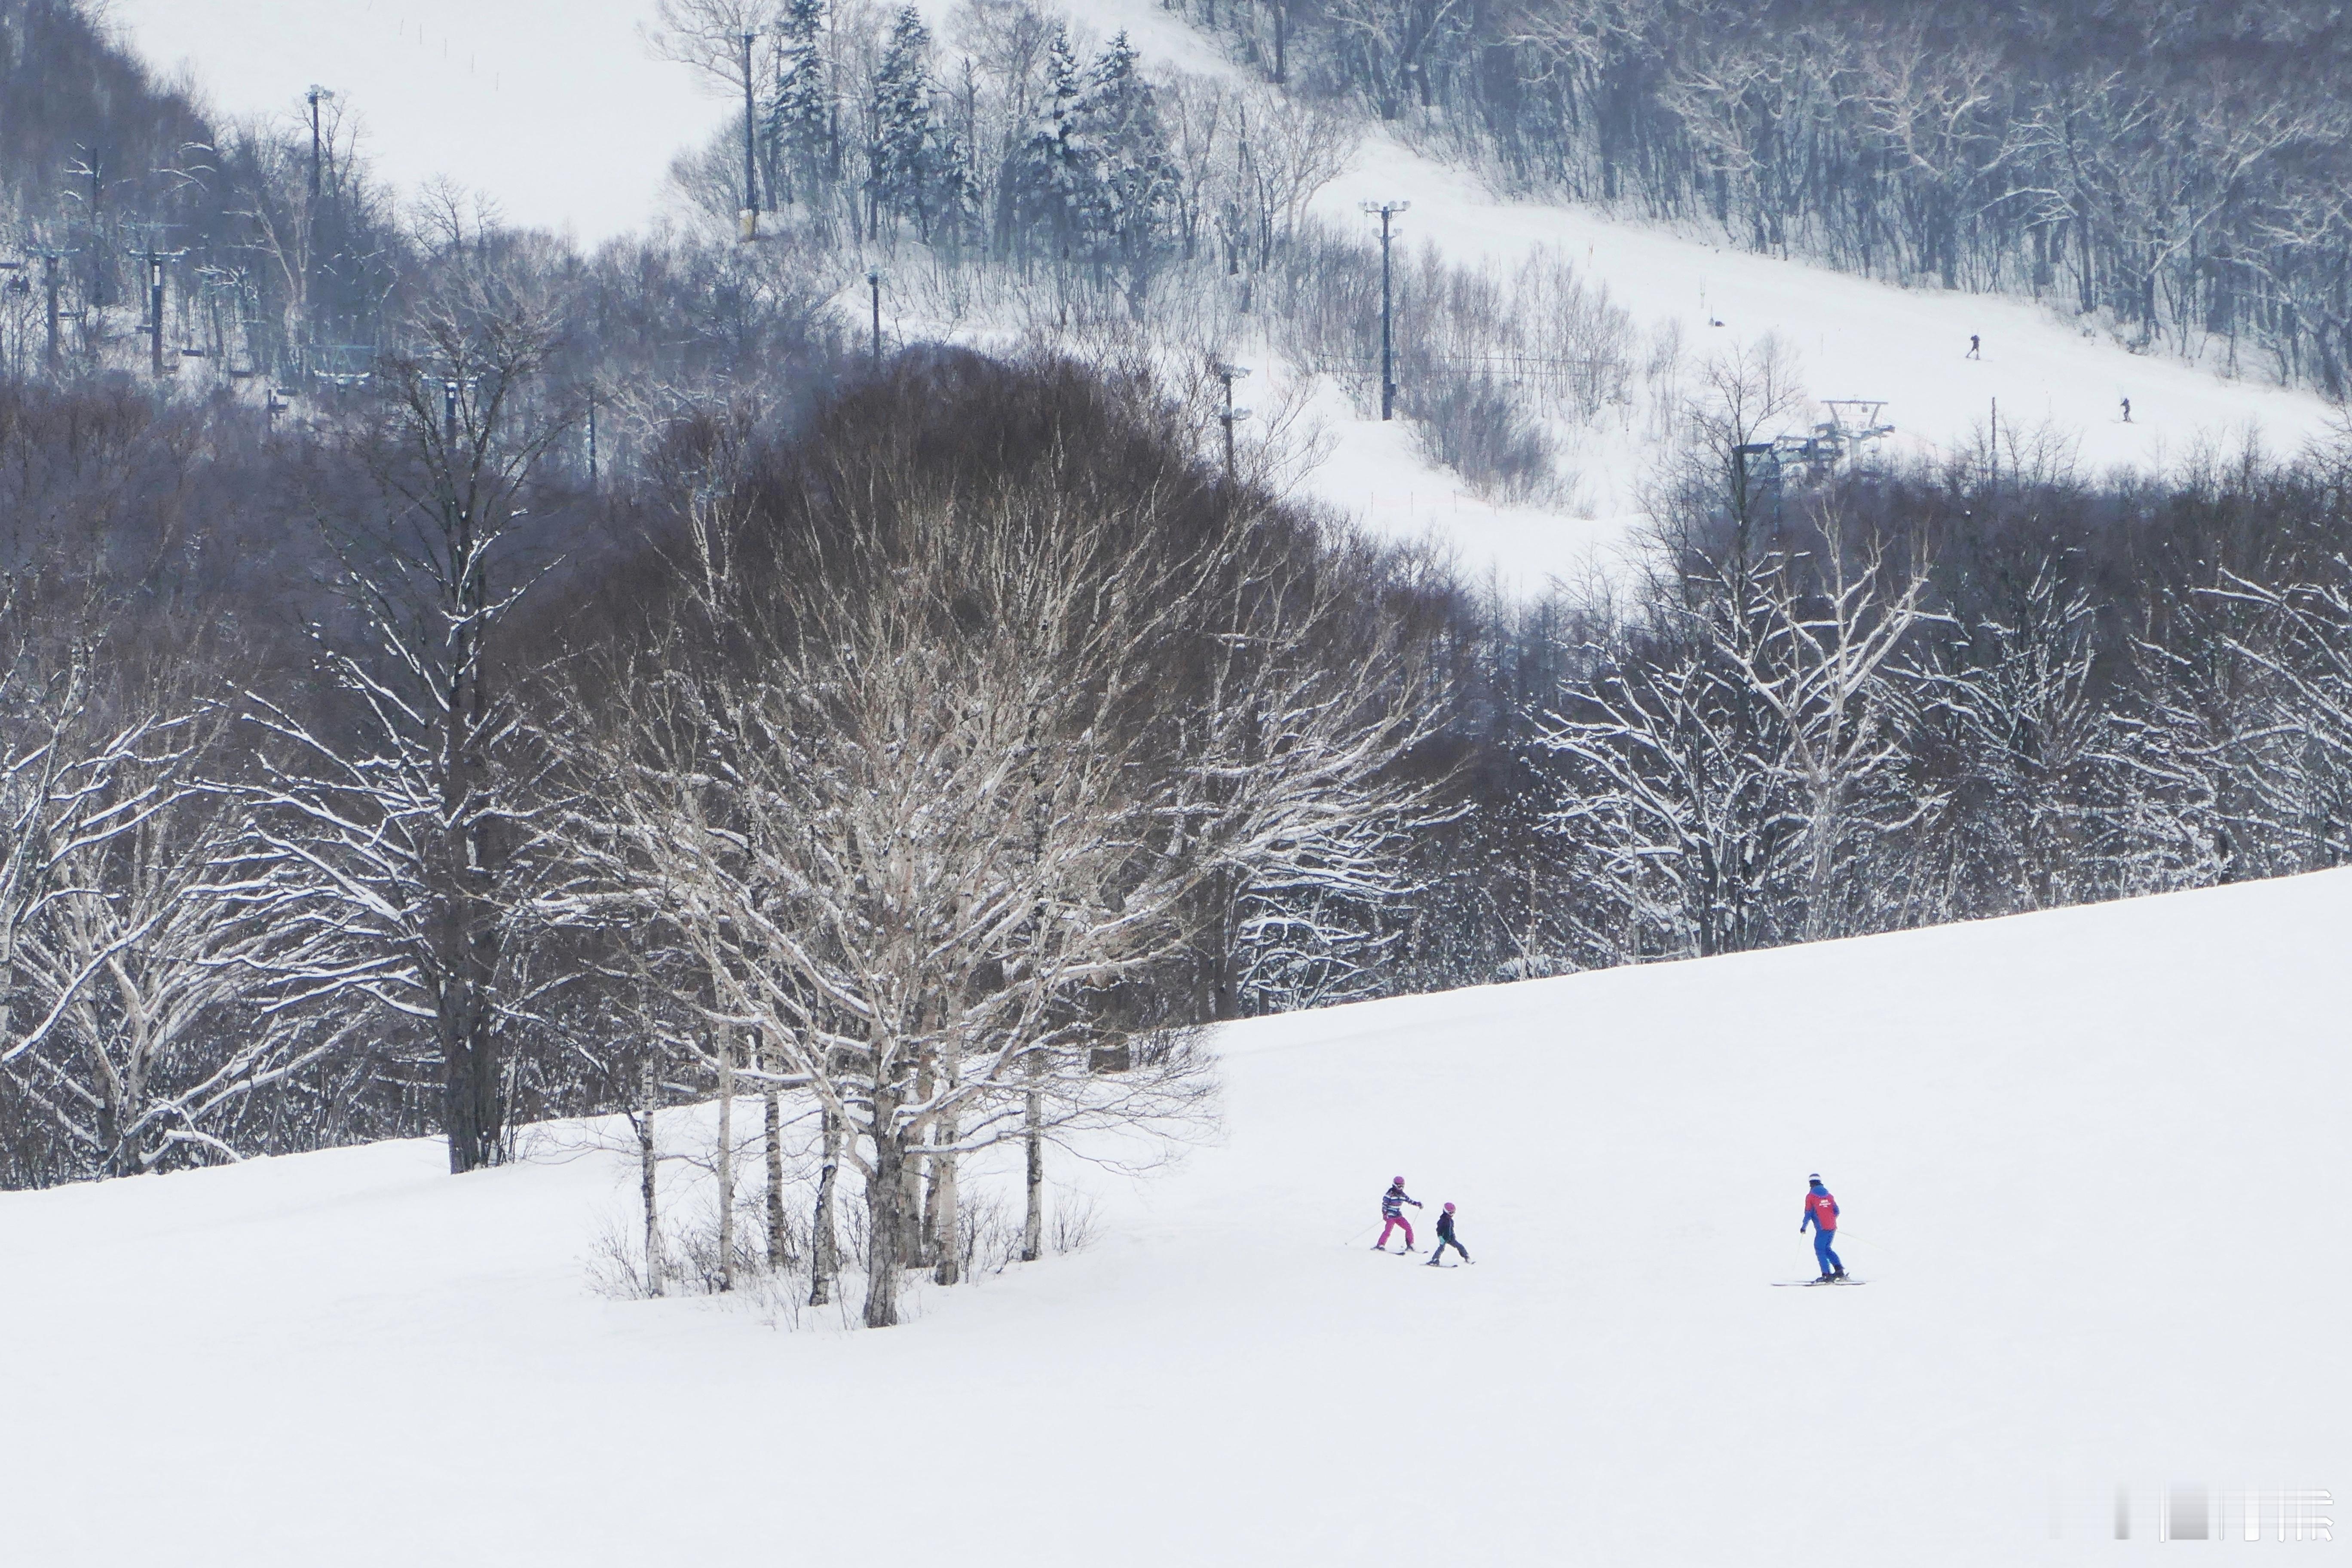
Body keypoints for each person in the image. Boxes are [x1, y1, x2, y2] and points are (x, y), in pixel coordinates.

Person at [1800, 1173, 1844, 1280]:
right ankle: (1839, 1271)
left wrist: (1804, 1227)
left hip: (1822, 1228)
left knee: (1820, 1249)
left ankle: (1826, 1275)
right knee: (1827, 1249)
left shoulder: (1811, 1197)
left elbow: (1808, 1214)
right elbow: (1837, 1211)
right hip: (1832, 1227)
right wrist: (1831, 1221)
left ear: (1811, 1183)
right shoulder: (1829, 1195)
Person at [1374, 1176, 1422, 1251]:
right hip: (1390, 1216)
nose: (1401, 1188)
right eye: (1399, 1186)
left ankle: (1410, 1245)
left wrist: (1418, 1204)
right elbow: (1385, 1204)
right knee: (1388, 1231)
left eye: (1403, 1186)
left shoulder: (1403, 1195)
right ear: (1395, 1186)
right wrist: (1385, 1214)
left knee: (1408, 1228)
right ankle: (1381, 1244)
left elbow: (1410, 1201)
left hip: (1398, 1216)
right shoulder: (1390, 1194)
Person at [1425, 1201, 1471, 1266]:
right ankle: (1435, 1259)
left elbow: (1451, 1230)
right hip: (1443, 1238)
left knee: (1460, 1246)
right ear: (1446, 1211)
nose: (1452, 1214)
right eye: (1451, 1213)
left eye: (1454, 1212)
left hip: (1450, 1238)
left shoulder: (1451, 1221)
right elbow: (1439, 1230)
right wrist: (1440, 1237)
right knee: (1441, 1248)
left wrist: (1453, 1237)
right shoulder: (1442, 1221)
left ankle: (1466, 1256)